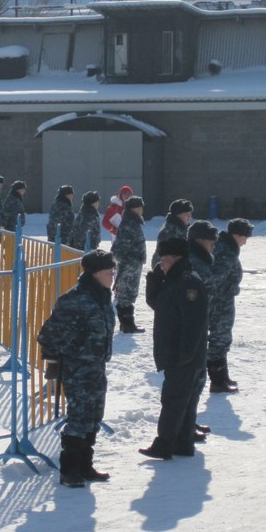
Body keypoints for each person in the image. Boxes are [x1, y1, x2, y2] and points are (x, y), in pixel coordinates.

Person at [37, 249, 116, 488]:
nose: (113, 275)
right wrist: (64, 354)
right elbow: (48, 334)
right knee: (79, 417)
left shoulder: (102, 297)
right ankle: (69, 469)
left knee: (93, 417)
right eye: (108, 271)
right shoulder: (75, 299)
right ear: (94, 273)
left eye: (114, 270)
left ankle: (85, 465)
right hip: (78, 367)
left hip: (96, 366)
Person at [139, 239, 208, 460]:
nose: (161, 264)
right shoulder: (174, 279)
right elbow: (156, 303)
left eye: (163, 260)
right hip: (178, 353)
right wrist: (155, 276)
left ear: (174, 258)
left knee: (173, 400)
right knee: (183, 400)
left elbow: (193, 323)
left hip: (183, 355)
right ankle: (182, 442)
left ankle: (164, 444)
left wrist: (185, 354)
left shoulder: (188, 283)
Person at [208, 217, 254, 393]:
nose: (245, 242)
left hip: (223, 300)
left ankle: (222, 376)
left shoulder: (227, 247)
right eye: (244, 238)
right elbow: (217, 277)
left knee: (223, 338)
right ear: (236, 235)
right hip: (220, 302)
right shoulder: (226, 250)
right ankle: (218, 381)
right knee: (219, 339)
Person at [187, 220, 220, 441]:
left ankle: (189, 422)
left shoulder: (201, 259)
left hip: (200, 326)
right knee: (191, 378)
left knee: (198, 378)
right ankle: (185, 426)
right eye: (210, 241)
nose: (213, 246)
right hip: (191, 330)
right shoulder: (193, 261)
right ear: (200, 241)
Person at [111, 195, 147, 334]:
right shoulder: (130, 223)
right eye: (140, 206)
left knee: (129, 293)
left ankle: (127, 324)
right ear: (134, 208)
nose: (142, 209)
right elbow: (121, 246)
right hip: (129, 264)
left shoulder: (133, 221)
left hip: (133, 263)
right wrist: (123, 261)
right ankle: (127, 324)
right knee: (126, 294)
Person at [150, 198, 194, 269]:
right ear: (177, 215)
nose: (189, 217)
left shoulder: (182, 229)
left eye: (190, 214)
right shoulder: (170, 232)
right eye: (186, 214)